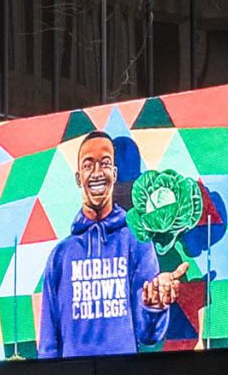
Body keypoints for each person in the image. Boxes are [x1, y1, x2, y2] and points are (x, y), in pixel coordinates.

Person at [35, 131, 183, 357]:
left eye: (104, 164)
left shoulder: (136, 243)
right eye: (88, 165)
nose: (96, 173)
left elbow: (149, 336)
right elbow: (48, 343)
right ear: (78, 178)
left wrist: (154, 305)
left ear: (114, 174)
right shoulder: (60, 255)